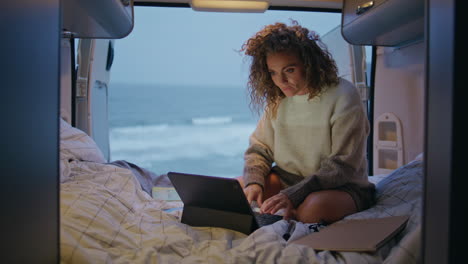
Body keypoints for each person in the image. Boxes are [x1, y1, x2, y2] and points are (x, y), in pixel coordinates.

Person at [238, 21, 375, 224]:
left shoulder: (343, 95)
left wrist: (293, 196)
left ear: (310, 63)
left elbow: (341, 166)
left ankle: (294, 213)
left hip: (340, 186)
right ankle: (288, 212)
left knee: (312, 209)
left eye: (290, 70)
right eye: (273, 72)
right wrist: (254, 182)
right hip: (288, 180)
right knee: (239, 189)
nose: (280, 81)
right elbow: (259, 150)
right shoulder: (278, 99)